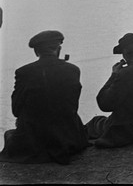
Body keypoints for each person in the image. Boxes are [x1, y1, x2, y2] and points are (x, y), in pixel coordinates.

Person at [0, 31, 88, 164]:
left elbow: (16, 110)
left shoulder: (23, 72)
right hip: (69, 138)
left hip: (34, 141)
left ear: (36, 52)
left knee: (9, 135)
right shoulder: (73, 70)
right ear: (58, 49)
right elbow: (72, 105)